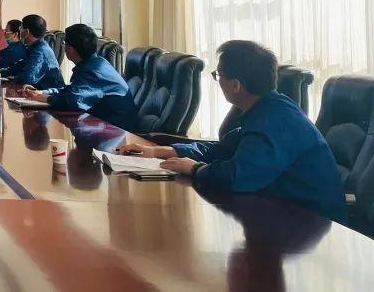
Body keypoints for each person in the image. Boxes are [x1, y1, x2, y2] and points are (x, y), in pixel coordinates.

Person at [119, 40, 346, 222]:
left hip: (308, 220)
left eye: (218, 75)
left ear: (236, 85)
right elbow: (223, 149)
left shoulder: (275, 120)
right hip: (277, 208)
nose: (217, 81)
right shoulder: (265, 108)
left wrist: (196, 169)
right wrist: (163, 151)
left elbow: (239, 177)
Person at [22, 24, 137, 131]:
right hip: (102, 124)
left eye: (64, 43)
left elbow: (73, 101)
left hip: (114, 130)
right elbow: (72, 90)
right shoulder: (95, 63)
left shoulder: (93, 71)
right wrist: (42, 92)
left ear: (69, 49)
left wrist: (44, 98)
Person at [5, 14, 63, 90]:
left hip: (50, 94)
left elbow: (27, 78)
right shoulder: (33, 47)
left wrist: (11, 79)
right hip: (37, 90)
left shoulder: (40, 51)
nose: (20, 31)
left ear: (27, 32)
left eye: (21, 28)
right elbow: (19, 67)